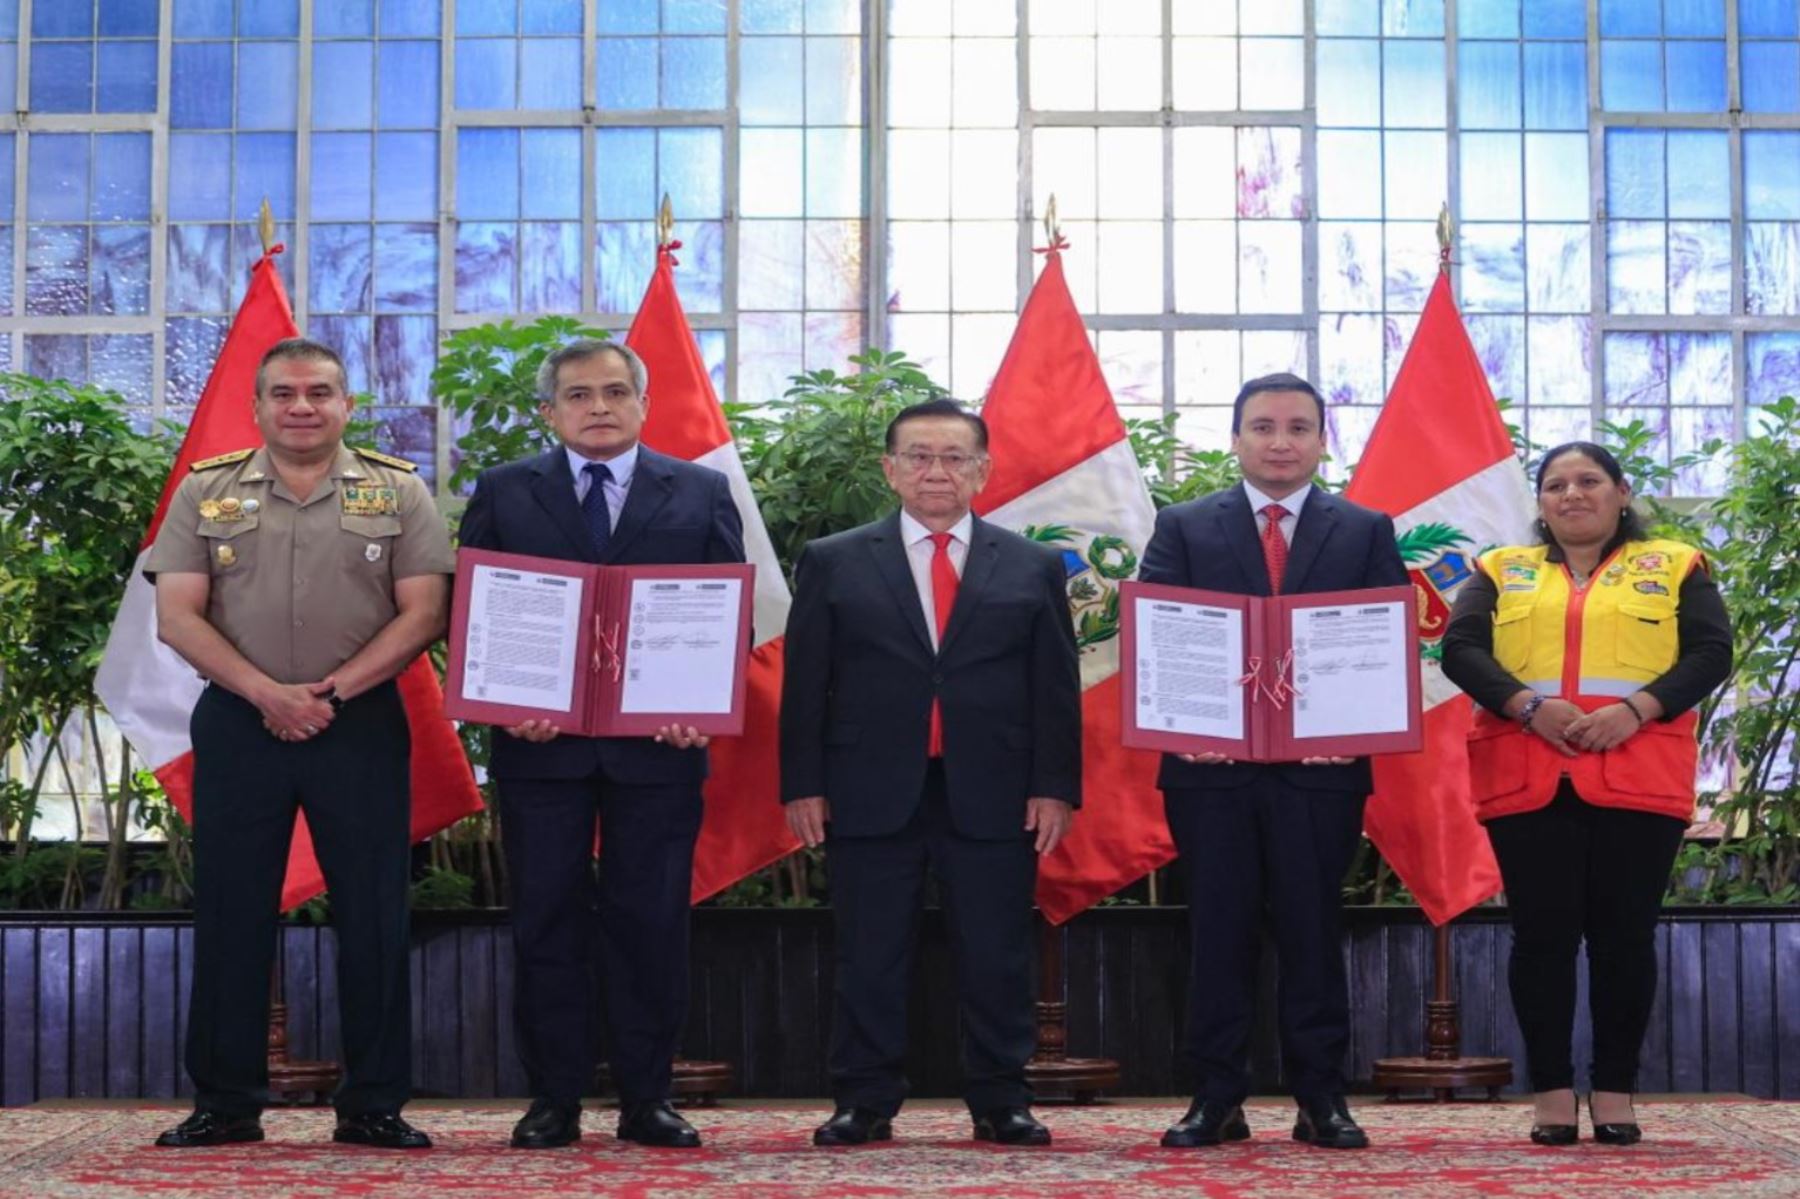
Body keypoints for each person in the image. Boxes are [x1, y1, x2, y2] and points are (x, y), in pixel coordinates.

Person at [148, 338, 453, 1150]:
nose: (302, 406)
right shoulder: (207, 492)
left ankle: (374, 1103)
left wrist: (329, 693)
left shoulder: (398, 490)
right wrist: (267, 694)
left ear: (347, 404)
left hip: (358, 723)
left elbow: (424, 612)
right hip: (241, 721)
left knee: (374, 913)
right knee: (231, 911)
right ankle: (225, 1101)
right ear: (258, 407)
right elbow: (176, 614)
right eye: (283, 393)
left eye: (320, 391)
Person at [457, 338, 744, 1150]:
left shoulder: (699, 489)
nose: (600, 407)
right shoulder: (508, 490)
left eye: (616, 392)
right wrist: (506, 704)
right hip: (539, 748)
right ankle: (554, 1100)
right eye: (579, 395)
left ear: (645, 404)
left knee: (649, 921)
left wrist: (702, 704)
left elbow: (732, 611)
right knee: (545, 920)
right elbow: (474, 607)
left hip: (659, 746)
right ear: (550, 412)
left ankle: (647, 1098)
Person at [780, 399, 1081, 1148]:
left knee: (997, 950)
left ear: (983, 470)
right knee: (870, 950)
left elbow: (1056, 687)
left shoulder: (1033, 562)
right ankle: (864, 1099)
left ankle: (1001, 1099)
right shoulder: (834, 559)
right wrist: (802, 783)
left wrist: (1055, 785)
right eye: (918, 455)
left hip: (997, 790)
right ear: (890, 469)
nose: (935, 470)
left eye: (953, 456)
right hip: (868, 786)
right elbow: (804, 683)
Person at [1140, 372, 1407, 1151]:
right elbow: (1159, 629)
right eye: (1263, 427)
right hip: (1208, 769)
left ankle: (1321, 1097)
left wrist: (1355, 723)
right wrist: (1176, 718)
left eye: (1298, 427)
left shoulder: (1363, 528)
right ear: (1236, 439)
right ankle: (1214, 1097)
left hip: (1321, 769)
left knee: (1312, 930)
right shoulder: (1184, 524)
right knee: (1217, 931)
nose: (1280, 441)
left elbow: (1383, 642)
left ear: (1323, 440)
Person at [1442, 441, 1731, 1146]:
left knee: (1623, 939)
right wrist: (1527, 706)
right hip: (1528, 772)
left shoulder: (1676, 564)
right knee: (1541, 939)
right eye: (1555, 485)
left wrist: (1636, 708)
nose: (1572, 494)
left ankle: (1613, 1089)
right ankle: (1549, 1091)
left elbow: (1709, 651)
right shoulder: (1499, 570)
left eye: (1589, 480)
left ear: (1621, 492)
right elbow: (1462, 648)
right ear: (1540, 503)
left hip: (1636, 773)